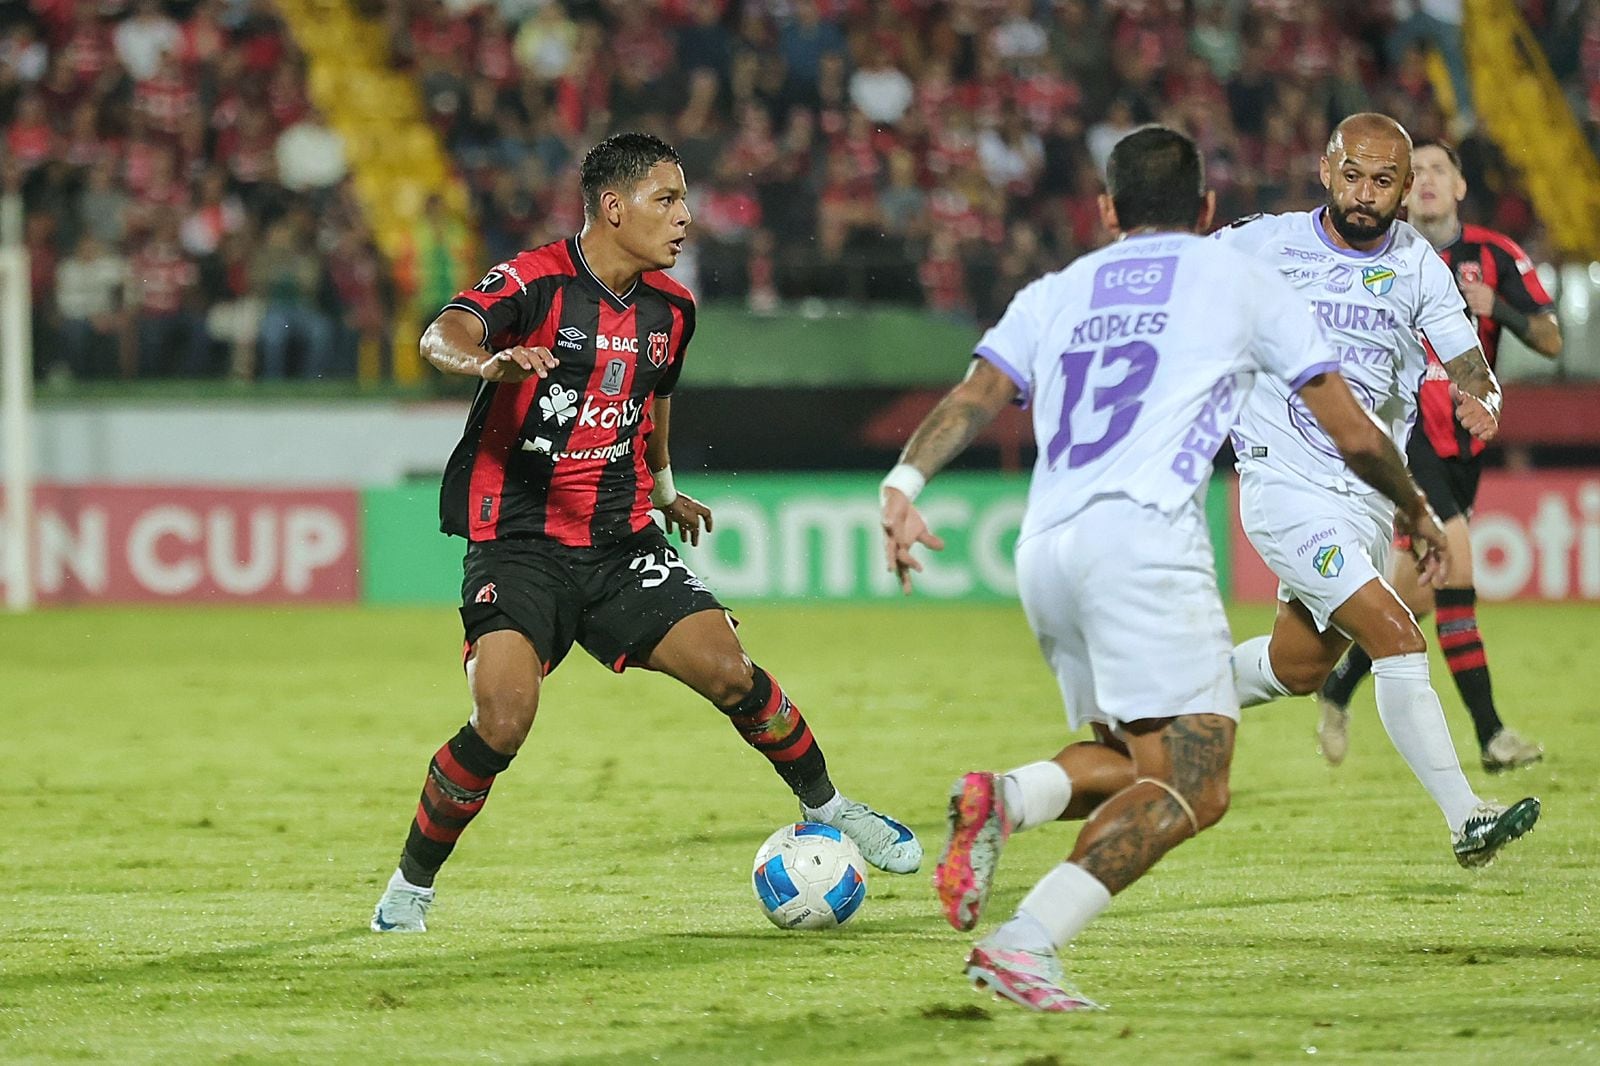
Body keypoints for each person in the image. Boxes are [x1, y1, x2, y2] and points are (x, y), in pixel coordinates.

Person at [881, 126, 1449, 1012]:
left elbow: (975, 396)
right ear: (1208, 210)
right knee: (1195, 781)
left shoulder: (1056, 289)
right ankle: (1026, 944)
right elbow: (1349, 427)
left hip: (1047, 550)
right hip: (1142, 544)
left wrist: (904, 482)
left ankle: (1005, 800)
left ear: (1106, 211)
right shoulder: (1241, 278)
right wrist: (1416, 508)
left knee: (1138, 753)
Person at [370, 132, 920, 934]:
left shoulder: (673, 309)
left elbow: (654, 398)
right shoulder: (534, 280)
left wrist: (664, 488)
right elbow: (440, 333)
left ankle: (833, 808)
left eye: (685, 200)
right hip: (518, 543)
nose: (686, 218)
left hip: (622, 543)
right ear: (613, 207)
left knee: (732, 671)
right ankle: (409, 889)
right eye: (668, 200)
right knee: (503, 719)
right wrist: (487, 365)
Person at [1214, 115, 1539, 862]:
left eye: (1383, 181)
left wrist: (1481, 396)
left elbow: (1467, 364)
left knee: (1298, 667)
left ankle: (1167, 697)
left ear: (1402, 191)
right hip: (1285, 486)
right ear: (1326, 170)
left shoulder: (1418, 263)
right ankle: (1466, 820)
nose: (1365, 194)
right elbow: (1166, 273)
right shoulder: (1263, 240)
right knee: (1398, 635)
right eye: (1353, 175)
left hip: (1363, 497)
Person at [1317, 139, 1561, 772]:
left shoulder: (1495, 255)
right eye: (1412, 170)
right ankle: (1491, 737)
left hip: (1463, 440)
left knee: (1414, 597)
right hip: (1401, 435)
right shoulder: (1372, 250)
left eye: (1435, 170)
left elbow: (1551, 338)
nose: (1423, 179)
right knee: (1455, 566)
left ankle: (1338, 685)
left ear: (1458, 186)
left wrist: (1497, 307)